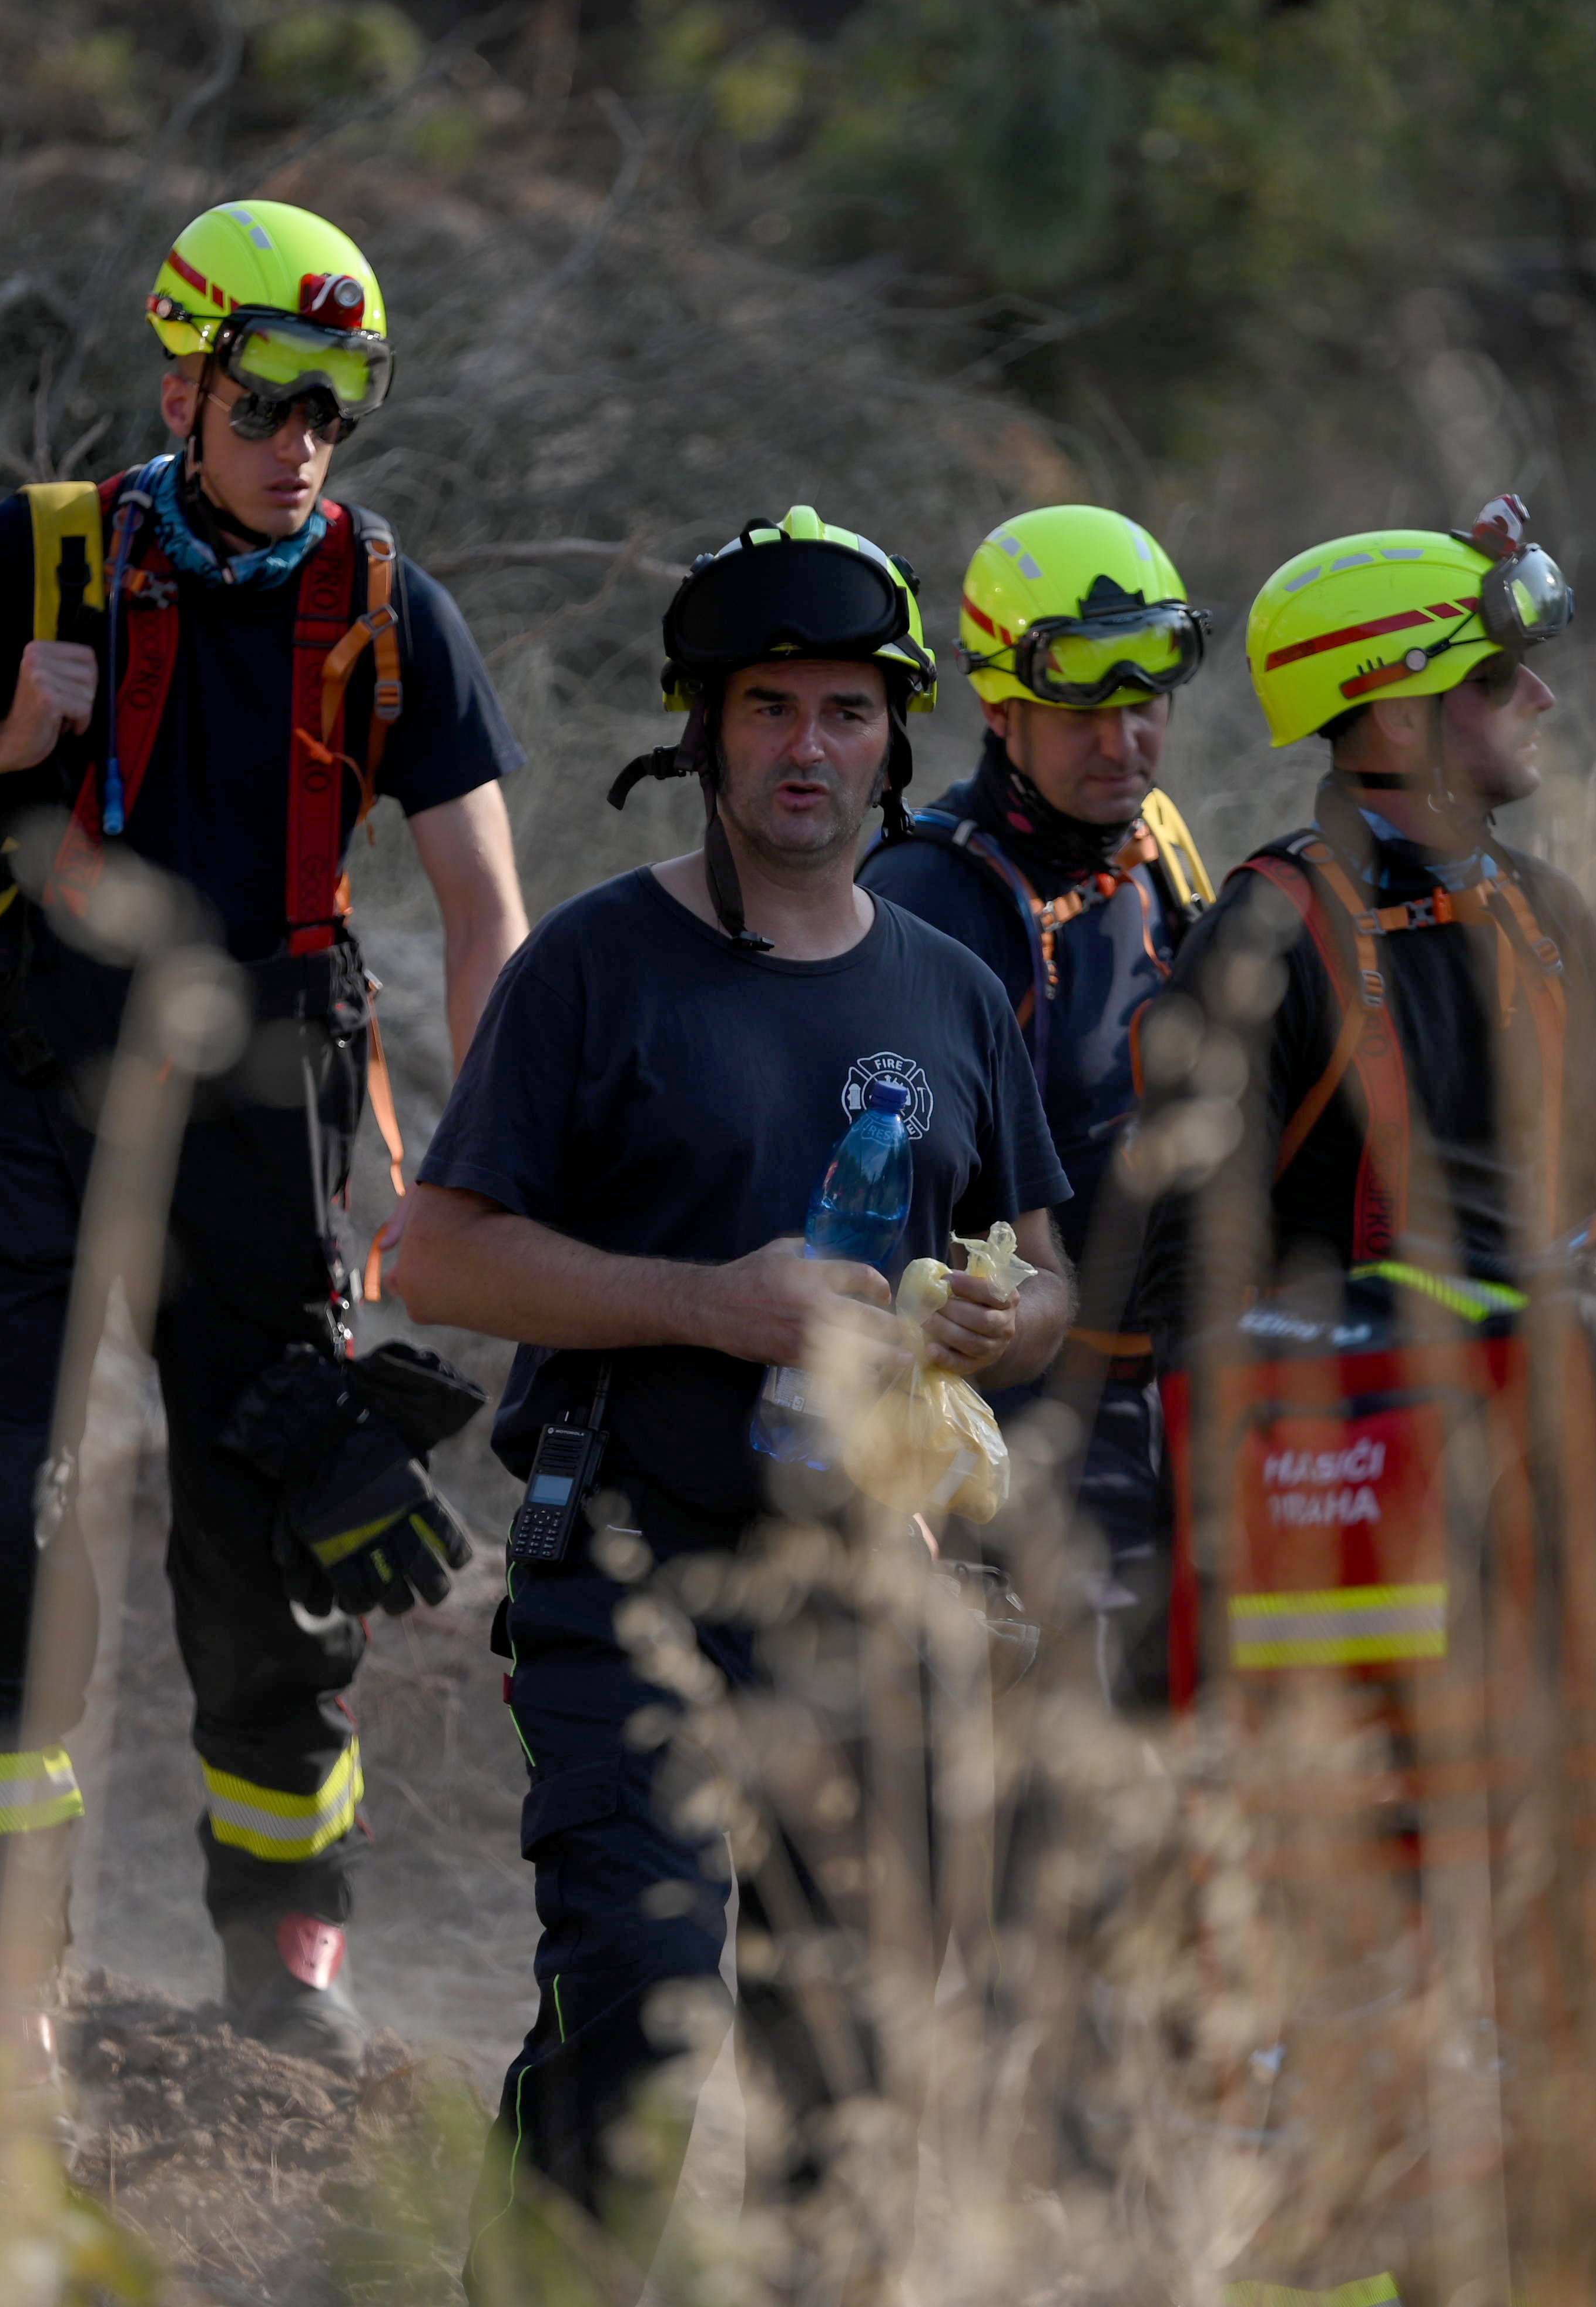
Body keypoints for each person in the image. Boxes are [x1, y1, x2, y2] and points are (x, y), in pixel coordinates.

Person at [0, 197, 531, 2068]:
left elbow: (490, 910)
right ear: (184, 381)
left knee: (276, 1542)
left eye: (343, 401)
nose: (304, 439)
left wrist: (482, 1177)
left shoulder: (390, 610)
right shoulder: (46, 555)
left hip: (267, 1132)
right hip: (23, 1112)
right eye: (271, 398)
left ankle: (290, 1960)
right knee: (4, 1538)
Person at [393, 507, 1075, 2280]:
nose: (809, 749)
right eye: (770, 709)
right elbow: (441, 1258)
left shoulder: (952, 989)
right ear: (702, 731)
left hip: (869, 1587)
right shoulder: (597, 966)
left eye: (848, 713)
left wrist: (1011, 1322)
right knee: (634, 1981)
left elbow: (1055, 1272)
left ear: (897, 737)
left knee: (843, 2055)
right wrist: (710, 1306)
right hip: (628, 1560)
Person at [1135, 498, 1596, 1370]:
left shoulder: (1552, 915)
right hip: (1351, 1460)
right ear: (1403, 716)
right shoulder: (1268, 935)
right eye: (1496, 678)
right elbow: (1188, 1290)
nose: (1542, 696)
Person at [859, 504, 1213, 1701]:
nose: (1123, 740)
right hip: (1015, 1433)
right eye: (1082, 710)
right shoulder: (926, 893)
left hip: (1178, 1402)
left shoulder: (1158, 845)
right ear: (1002, 704)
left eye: (1146, 702)